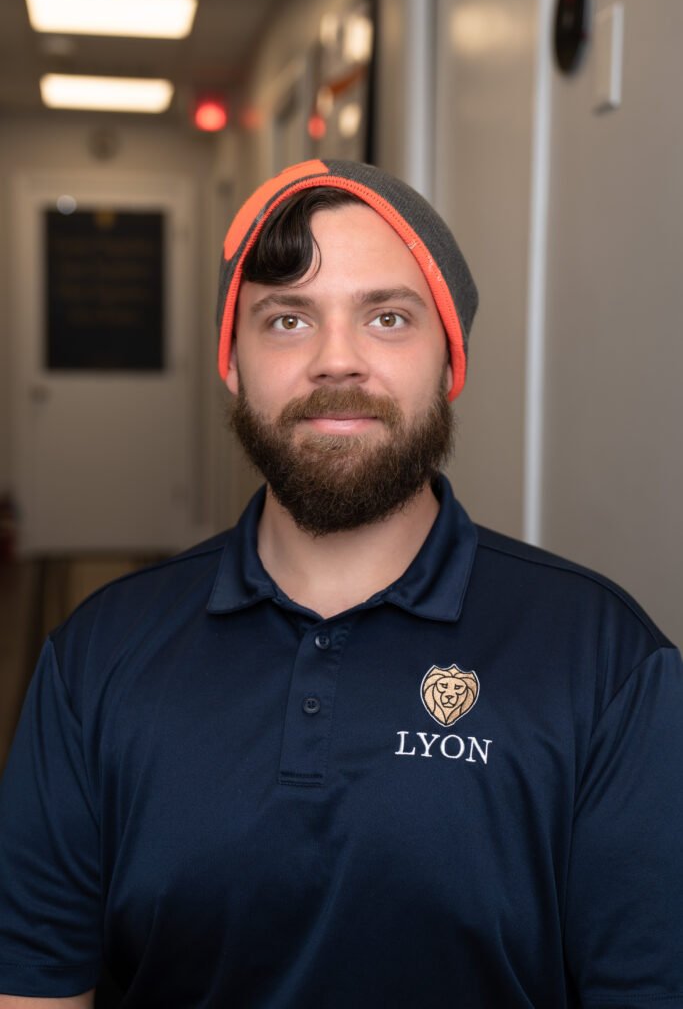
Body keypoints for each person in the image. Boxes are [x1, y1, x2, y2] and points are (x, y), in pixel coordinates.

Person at [0, 158, 681, 1009]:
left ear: (448, 361)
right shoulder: (97, 656)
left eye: (387, 317)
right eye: (286, 321)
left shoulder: (608, 665)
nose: (336, 361)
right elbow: (33, 987)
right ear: (233, 365)